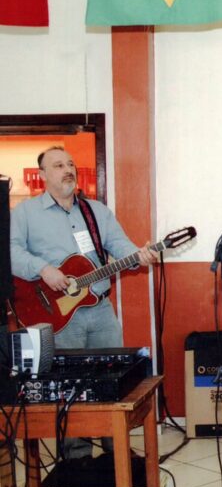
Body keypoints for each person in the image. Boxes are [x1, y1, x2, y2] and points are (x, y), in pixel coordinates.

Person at [10, 146, 158, 459]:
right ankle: (75, 457)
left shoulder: (96, 211)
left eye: (71, 164)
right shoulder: (25, 213)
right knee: (67, 384)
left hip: (100, 308)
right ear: (42, 175)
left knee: (113, 378)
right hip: (56, 313)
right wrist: (43, 269)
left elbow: (119, 245)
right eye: (59, 165)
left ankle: (114, 449)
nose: (68, 170)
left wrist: (139, 256)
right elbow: (10, 252)